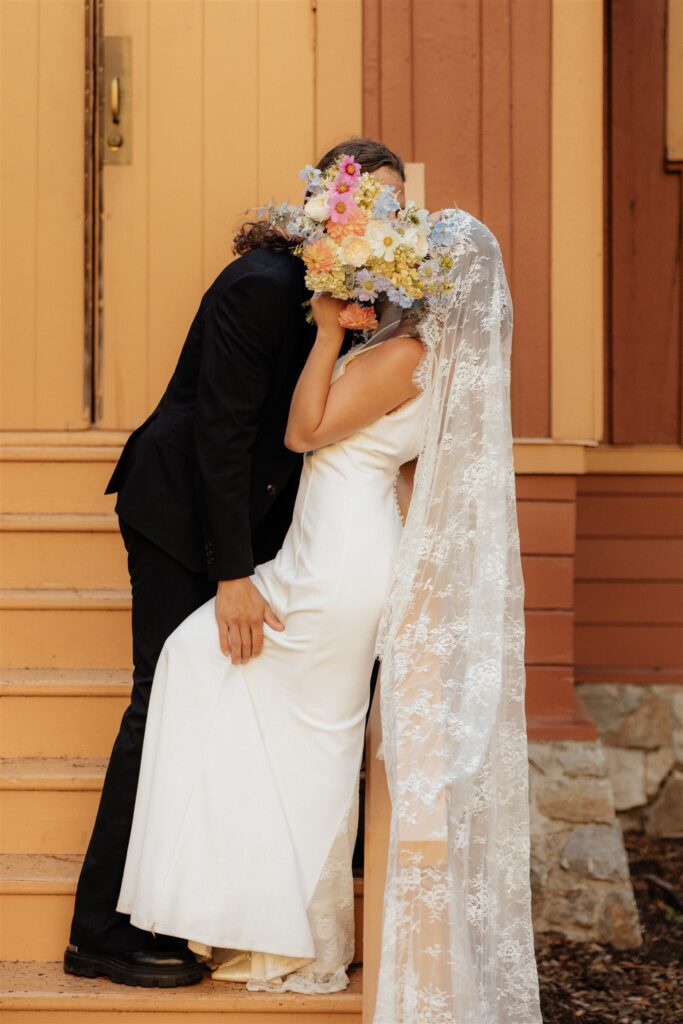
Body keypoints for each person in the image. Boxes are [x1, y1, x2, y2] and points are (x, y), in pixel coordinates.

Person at [96, 209, 543, 1023]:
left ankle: (279, 927)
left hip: (337, 564)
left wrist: (331, 334)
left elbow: (303, 431)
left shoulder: (406, 355)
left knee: (225, 684)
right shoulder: (433, 358)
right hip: (337, 548)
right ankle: (256, 915)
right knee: (292, 730)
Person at [64, 138, 407, 990]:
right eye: (368, 201)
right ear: (326, 207)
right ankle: (100, 930)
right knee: (163, 694)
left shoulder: (366, 299)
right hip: (181, 514)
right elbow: (220, 436)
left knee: (229, 699)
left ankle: (224, 898)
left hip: (258, 525)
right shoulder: (259, 285)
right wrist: (233, 577)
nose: (382, 219)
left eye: (395, 206)